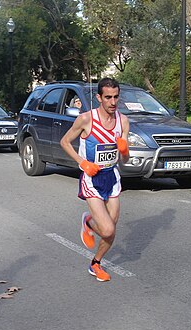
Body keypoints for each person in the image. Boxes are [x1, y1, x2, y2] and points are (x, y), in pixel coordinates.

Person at [60, 78, 130, 282]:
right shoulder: (86, 119)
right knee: (107, 229)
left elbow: (123, 158)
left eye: (116, 97)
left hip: (112, 177)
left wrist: (124, 150)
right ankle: (88, 222)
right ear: (99, 97)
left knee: (111, 231)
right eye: (108, 97)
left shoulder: (123, 121)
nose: (112, 102)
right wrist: (82, 163)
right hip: (91, 178)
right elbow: (64, 142)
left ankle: (95, 264)